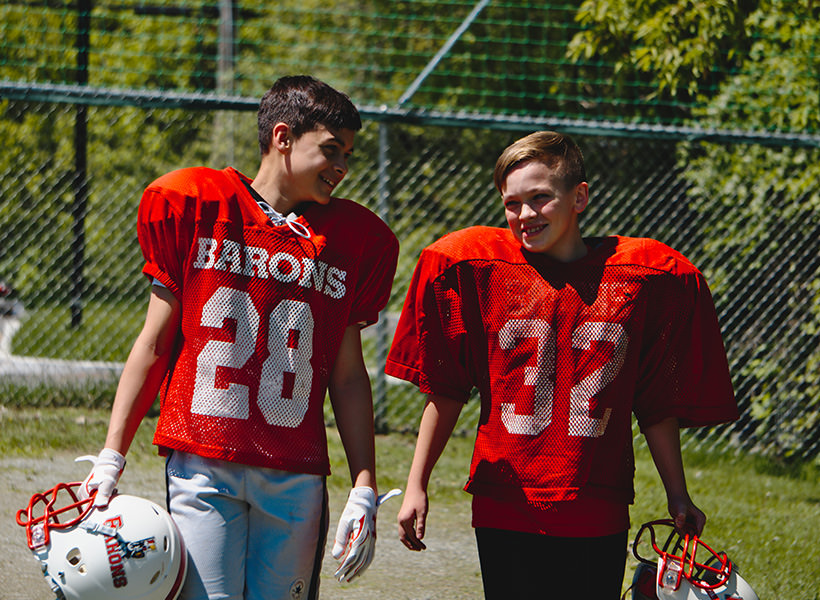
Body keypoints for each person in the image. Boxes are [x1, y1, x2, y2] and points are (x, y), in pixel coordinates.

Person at [80, 75, 399, 600]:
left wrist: (364, 483)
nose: (342, 167)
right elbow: (153, 345)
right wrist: (112, 454)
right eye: (331, 149)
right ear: (283, 136)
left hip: (295, 470)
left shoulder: (350, 239)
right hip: (204, 459)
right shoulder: (198, 205)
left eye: (348, 154)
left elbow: (347, 375)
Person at [385, 131, 739, 598]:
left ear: (580, 197)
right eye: (512, 203)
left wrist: (677, 493)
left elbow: (655, 403)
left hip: (595, 500)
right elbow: (447, 389)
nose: (525, 215)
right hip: (505, 501)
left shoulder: (639, 278)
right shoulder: (477, 268)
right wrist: (416, 485)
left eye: (540, 198)